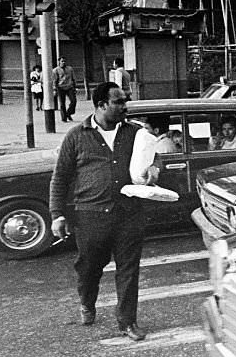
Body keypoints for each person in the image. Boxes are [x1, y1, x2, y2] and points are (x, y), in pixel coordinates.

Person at [49, 82, 160, 341]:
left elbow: (154, 157)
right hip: (90, 215)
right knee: (89, 267)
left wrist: (155, 169)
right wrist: (57, 215)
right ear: (101, 106)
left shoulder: (135, 132)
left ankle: (127, 323)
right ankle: (87, 302)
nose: (125, 106)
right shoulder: (76, 135)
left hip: (128, 213)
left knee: (128, 270)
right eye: (119, 102)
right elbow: (60, 178)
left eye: (124, 101)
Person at [53, 56, 77, 122]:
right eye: (62, 61)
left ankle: (68, 113)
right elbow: (55, 81)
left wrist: (75, 87)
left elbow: (73, 78)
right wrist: (55, 89)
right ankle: (64, 118)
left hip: (69, 87)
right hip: (60, 88)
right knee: (62, 103)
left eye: (64, 61)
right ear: (59, 62)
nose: (63, 62)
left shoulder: (70, 69)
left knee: (73, 101)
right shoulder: (55, 70)